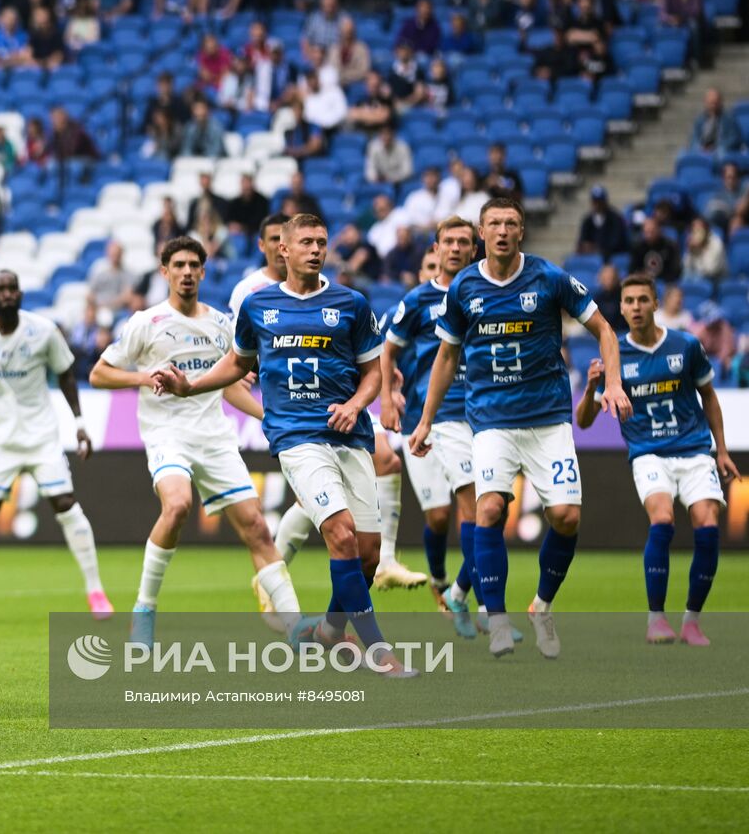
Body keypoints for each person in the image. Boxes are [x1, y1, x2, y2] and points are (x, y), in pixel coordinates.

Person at [153, 214, 415, 677]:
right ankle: (379, 650)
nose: (316, 249)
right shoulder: (259, 306)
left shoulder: (351, 303)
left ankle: (331, 631)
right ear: (284, 251)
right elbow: (236, 363)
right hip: (296, 436)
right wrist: (188, 386)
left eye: (322, 242)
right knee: (341, 534)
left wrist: (356, 404)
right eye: (306, 243)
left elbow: (373, 373)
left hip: (348, 435)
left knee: (369, 554)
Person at [408, 197, 632, 659]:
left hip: (549, 420)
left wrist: (613, 381)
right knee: (488, 509)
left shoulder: (549, 278)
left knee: (567, 519)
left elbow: (606, 331)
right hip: (491, 421)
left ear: (522, 231)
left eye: (512, 223)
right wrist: (426, 419)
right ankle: (498, 620)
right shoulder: (465, 287)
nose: (504, 231)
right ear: (483, 234)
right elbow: (446, 357)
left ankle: (542, 606)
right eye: (495, 224)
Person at [90, 237, 301, 645]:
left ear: (203, 272)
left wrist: (267, 415)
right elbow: (100, 373)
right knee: (178, 505)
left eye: (193, 266)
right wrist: (143, 376)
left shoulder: (223, 324)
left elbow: (227, 386)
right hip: (168, 434)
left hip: (215, 437)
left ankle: (296, 626)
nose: (186, 272)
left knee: (257, 527)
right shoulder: (145, 322)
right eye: (179, 265)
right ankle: (144, 610)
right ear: (164, 271)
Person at [575, 274, 737, 645]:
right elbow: (583, 422)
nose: (635, 307)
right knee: (661, 518)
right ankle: (656, 619)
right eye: (628, 301)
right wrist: (589, 386)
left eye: (642, 300)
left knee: (708, 525)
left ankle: (692, 621)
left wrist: (722, 450)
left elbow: (709, 396)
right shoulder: (616, 354)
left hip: (694, 450)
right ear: (622, 306)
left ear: (655, 303)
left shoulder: (685, 345)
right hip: (648, 453)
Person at [0, 270, 111, 621]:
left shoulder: (44, 330)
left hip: (42, 436)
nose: (7, 294)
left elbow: (67, 375)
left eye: (12, 288)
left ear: (20, 294)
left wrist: (80, 425)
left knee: (66, 503)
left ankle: (95, 589)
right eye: (0, 289)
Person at [380, 220, 490, 637]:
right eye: (445, 246)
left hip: (476, 414)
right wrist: (390, 395)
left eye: (465, 242)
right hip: (423, 422)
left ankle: (476, 601)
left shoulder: (482, 295)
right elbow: (385, 353)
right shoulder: (413, 303)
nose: (452, 252)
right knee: (440, 516)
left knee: (477, 513)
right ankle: (444, 585)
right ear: (434, 254)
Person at [576, 185, 630, 260]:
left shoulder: (615, 218)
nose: (597, 205)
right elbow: (582, 241)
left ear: (605, 201)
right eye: (595, 201)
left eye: (600, 201)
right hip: (591, 257)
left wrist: (597, 248)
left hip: (612, 257)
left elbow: (616, 242)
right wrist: (585, 247)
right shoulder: (587, 220)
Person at [688, 89, 743, 157]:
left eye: (715, 103)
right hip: (702, 152)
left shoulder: (729, 119)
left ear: (720, 103)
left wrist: (716, 149)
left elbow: (734, 139)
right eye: (710, 103)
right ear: (705, 103)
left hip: (721, 152)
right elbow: (694, 139)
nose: (712, 106)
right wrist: (700, 148)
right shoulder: (700, 120)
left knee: (729, 166)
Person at [630, 217, 682, 282]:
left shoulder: (670, 247)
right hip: (643, 282)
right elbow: (632, 270)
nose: (649, 235)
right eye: (646, 232)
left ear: (659, 230)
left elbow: (675, 271)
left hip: (665, 283)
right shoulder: (638, 248)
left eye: (652, 232)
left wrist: (656, 277)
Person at [683, 217, 727, 282]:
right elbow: (686, 267)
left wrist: (701, 249)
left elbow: (710, 270)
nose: (695, 233)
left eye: (699, 230)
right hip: (697, 277)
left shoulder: (716, 243)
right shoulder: (692, 243)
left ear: (706, 230)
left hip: (716, 279)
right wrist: (691, 251)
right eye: (693, 230)